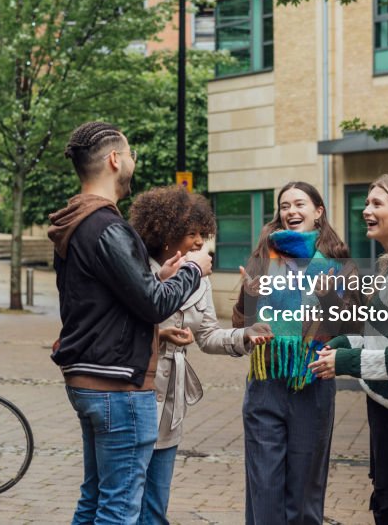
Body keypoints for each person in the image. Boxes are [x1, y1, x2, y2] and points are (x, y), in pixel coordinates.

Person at [48, 121, 214, 525]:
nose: (133, 162)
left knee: (94, 501)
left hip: (89, 379)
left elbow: (99, 302)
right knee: (120, 510)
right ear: (114, 159)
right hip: (118, 387)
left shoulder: (75, 223)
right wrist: (193, 270)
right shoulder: (107, 227)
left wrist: (155, 276)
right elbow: (154, 306)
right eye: (131, 154)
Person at [128, 186, 273, 525]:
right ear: (164, 235)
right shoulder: (137, 271)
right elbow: (125, 324)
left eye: (201, 234)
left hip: (171, 400)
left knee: (156, 500)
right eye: (189, 233)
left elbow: (207, 335)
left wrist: (245, 335)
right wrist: (160, 335)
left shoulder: (200, 279)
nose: (198, 242)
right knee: (127, 495)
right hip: (136, 391)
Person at [233, 181, 360, 525]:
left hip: (313, 381)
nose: (291, 211)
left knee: (305, 489)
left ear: (318, 212)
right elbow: (240, 323)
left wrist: (328, 298)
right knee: (265, 486)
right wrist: (249, 296)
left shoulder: (336, 262)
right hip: (266, 381)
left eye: (299, 204)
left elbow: (352, 327)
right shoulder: (263, 257)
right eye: (285, 205)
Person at [309, 175, 388, 525]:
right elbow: (383, 339)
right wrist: (344, 343)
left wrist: (346, 361)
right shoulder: (387, 268)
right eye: (366, 203)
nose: (366, 211)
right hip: (383, 405)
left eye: (377, 204)